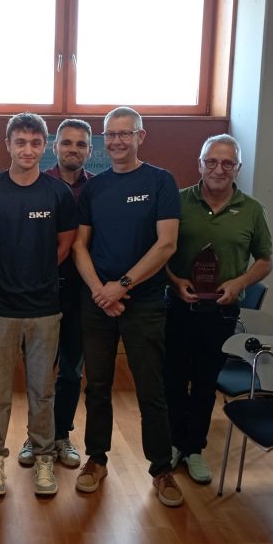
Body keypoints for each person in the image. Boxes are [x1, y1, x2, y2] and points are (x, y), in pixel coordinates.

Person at [71, 106, 184, 507]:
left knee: (151, 389)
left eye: (125, 133)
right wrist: (100, 292)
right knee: (97, 386)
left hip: (144, 303)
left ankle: (161, 468)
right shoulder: (95, 188)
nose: (117, 141)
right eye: (111, 134)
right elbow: (79, 246)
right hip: (98, 303)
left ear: (140, 136)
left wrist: (121, 287)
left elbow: (166, 244)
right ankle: (96, 459)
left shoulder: (160, 181)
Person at [0, 113, 77, 497]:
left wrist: (40, 272)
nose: (27, 150)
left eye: (35, 143)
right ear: (8, 145)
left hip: (45, 309)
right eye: (20, 142)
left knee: (42, 391)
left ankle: (43, 457)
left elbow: (65, 244)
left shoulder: (58, 193)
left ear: (44, 146)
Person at [164, 134, 273, 485]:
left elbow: (265, 260)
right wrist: (174, 281)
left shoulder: (252, 209)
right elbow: (159, 251)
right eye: (211, 161)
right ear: (199, 164)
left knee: (205, 382)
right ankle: (173, 444)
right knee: (173, 379)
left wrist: (240, 283)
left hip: (222, 312)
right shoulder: (176, 201)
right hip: (178, 307)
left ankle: (194, 448)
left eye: (227, 163)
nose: (218, 169)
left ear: (237, 168)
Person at [16, 119, 94, 469]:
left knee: (72, 371)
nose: (73, 149)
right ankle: (35, 437)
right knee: (38, 372)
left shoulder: (97, 189)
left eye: (80, 144)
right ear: (54, 146)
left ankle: (61, 434)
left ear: (89, 151)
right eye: (66, 143)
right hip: (40, 293)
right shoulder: (37, 184)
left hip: (80, 293)